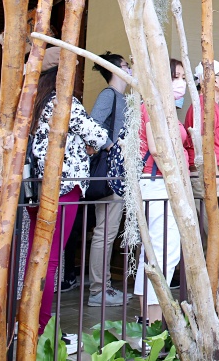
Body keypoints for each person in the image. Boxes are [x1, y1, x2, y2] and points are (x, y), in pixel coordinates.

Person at [27, 51, 109, 331]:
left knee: (37, 255)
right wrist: (94, 143)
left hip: (40, 185)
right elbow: (98, 135)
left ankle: (30, 324)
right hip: (63, 185)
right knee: (49, 258)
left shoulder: (37, 101)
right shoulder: (63, 102)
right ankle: (41, 326)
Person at [135, 58, 194, 324]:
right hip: (160, 183)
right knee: (163, 252)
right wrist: (177, 180)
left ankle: (148, 319)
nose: (180, 82)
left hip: (161, 183)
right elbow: (157, 148)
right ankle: (154, 320)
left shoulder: (163, 108)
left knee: (155, 252)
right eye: (176, 76)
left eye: (182, 77)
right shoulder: (153, 106)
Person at [86, 52, 131, 307]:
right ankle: (98, 289)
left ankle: (102, 288)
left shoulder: (120, 98)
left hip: (117, 173)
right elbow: (92, 127)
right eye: (126, 65)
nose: (129, 70)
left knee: (109, 230)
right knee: (105, 231)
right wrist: (113, 145)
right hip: (109, 172)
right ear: (115, 70)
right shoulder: (109, 95)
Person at [184, 60, 219, 177]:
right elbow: (205, 141)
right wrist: (215, 174)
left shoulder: (209, 104)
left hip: (210, 169)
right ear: (214, 80)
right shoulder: (206, 105)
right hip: (208, 171)